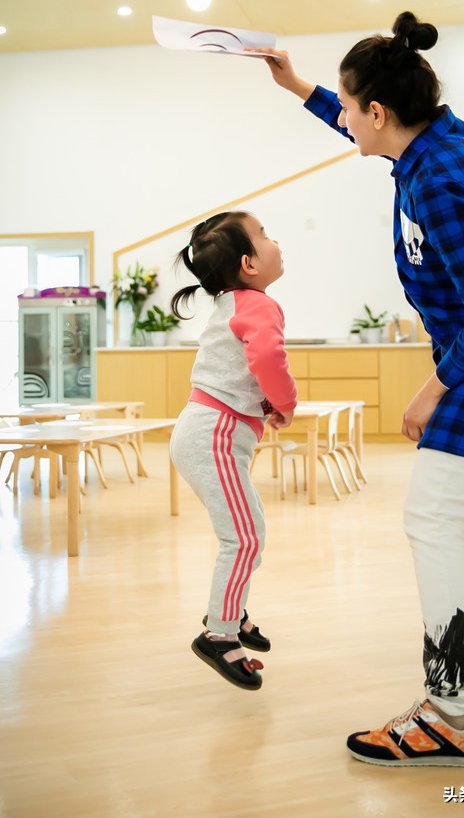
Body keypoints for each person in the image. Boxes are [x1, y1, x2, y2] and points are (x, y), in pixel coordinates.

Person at [253, 11, 464, 768]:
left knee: (432, 514)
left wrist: (428, 392)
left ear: (378, 110)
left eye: (346, 103)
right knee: (462, 516)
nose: (344, 117)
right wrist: (299, 87)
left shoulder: (436, 181)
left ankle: (448, 712)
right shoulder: (438, 138)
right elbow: (374, 135)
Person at [169, 210, 297, 691]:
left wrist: (262, 400)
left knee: (245, 530)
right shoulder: (259, 304)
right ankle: (220, 634)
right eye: (265, 234)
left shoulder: (234, 303)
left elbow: (242, 365)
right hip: (214, 434)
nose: (274, 239)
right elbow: (266, 357)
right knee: (243, 537)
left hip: (208, 430)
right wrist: (284, 402)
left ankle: (232, 609)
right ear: (248, 263)